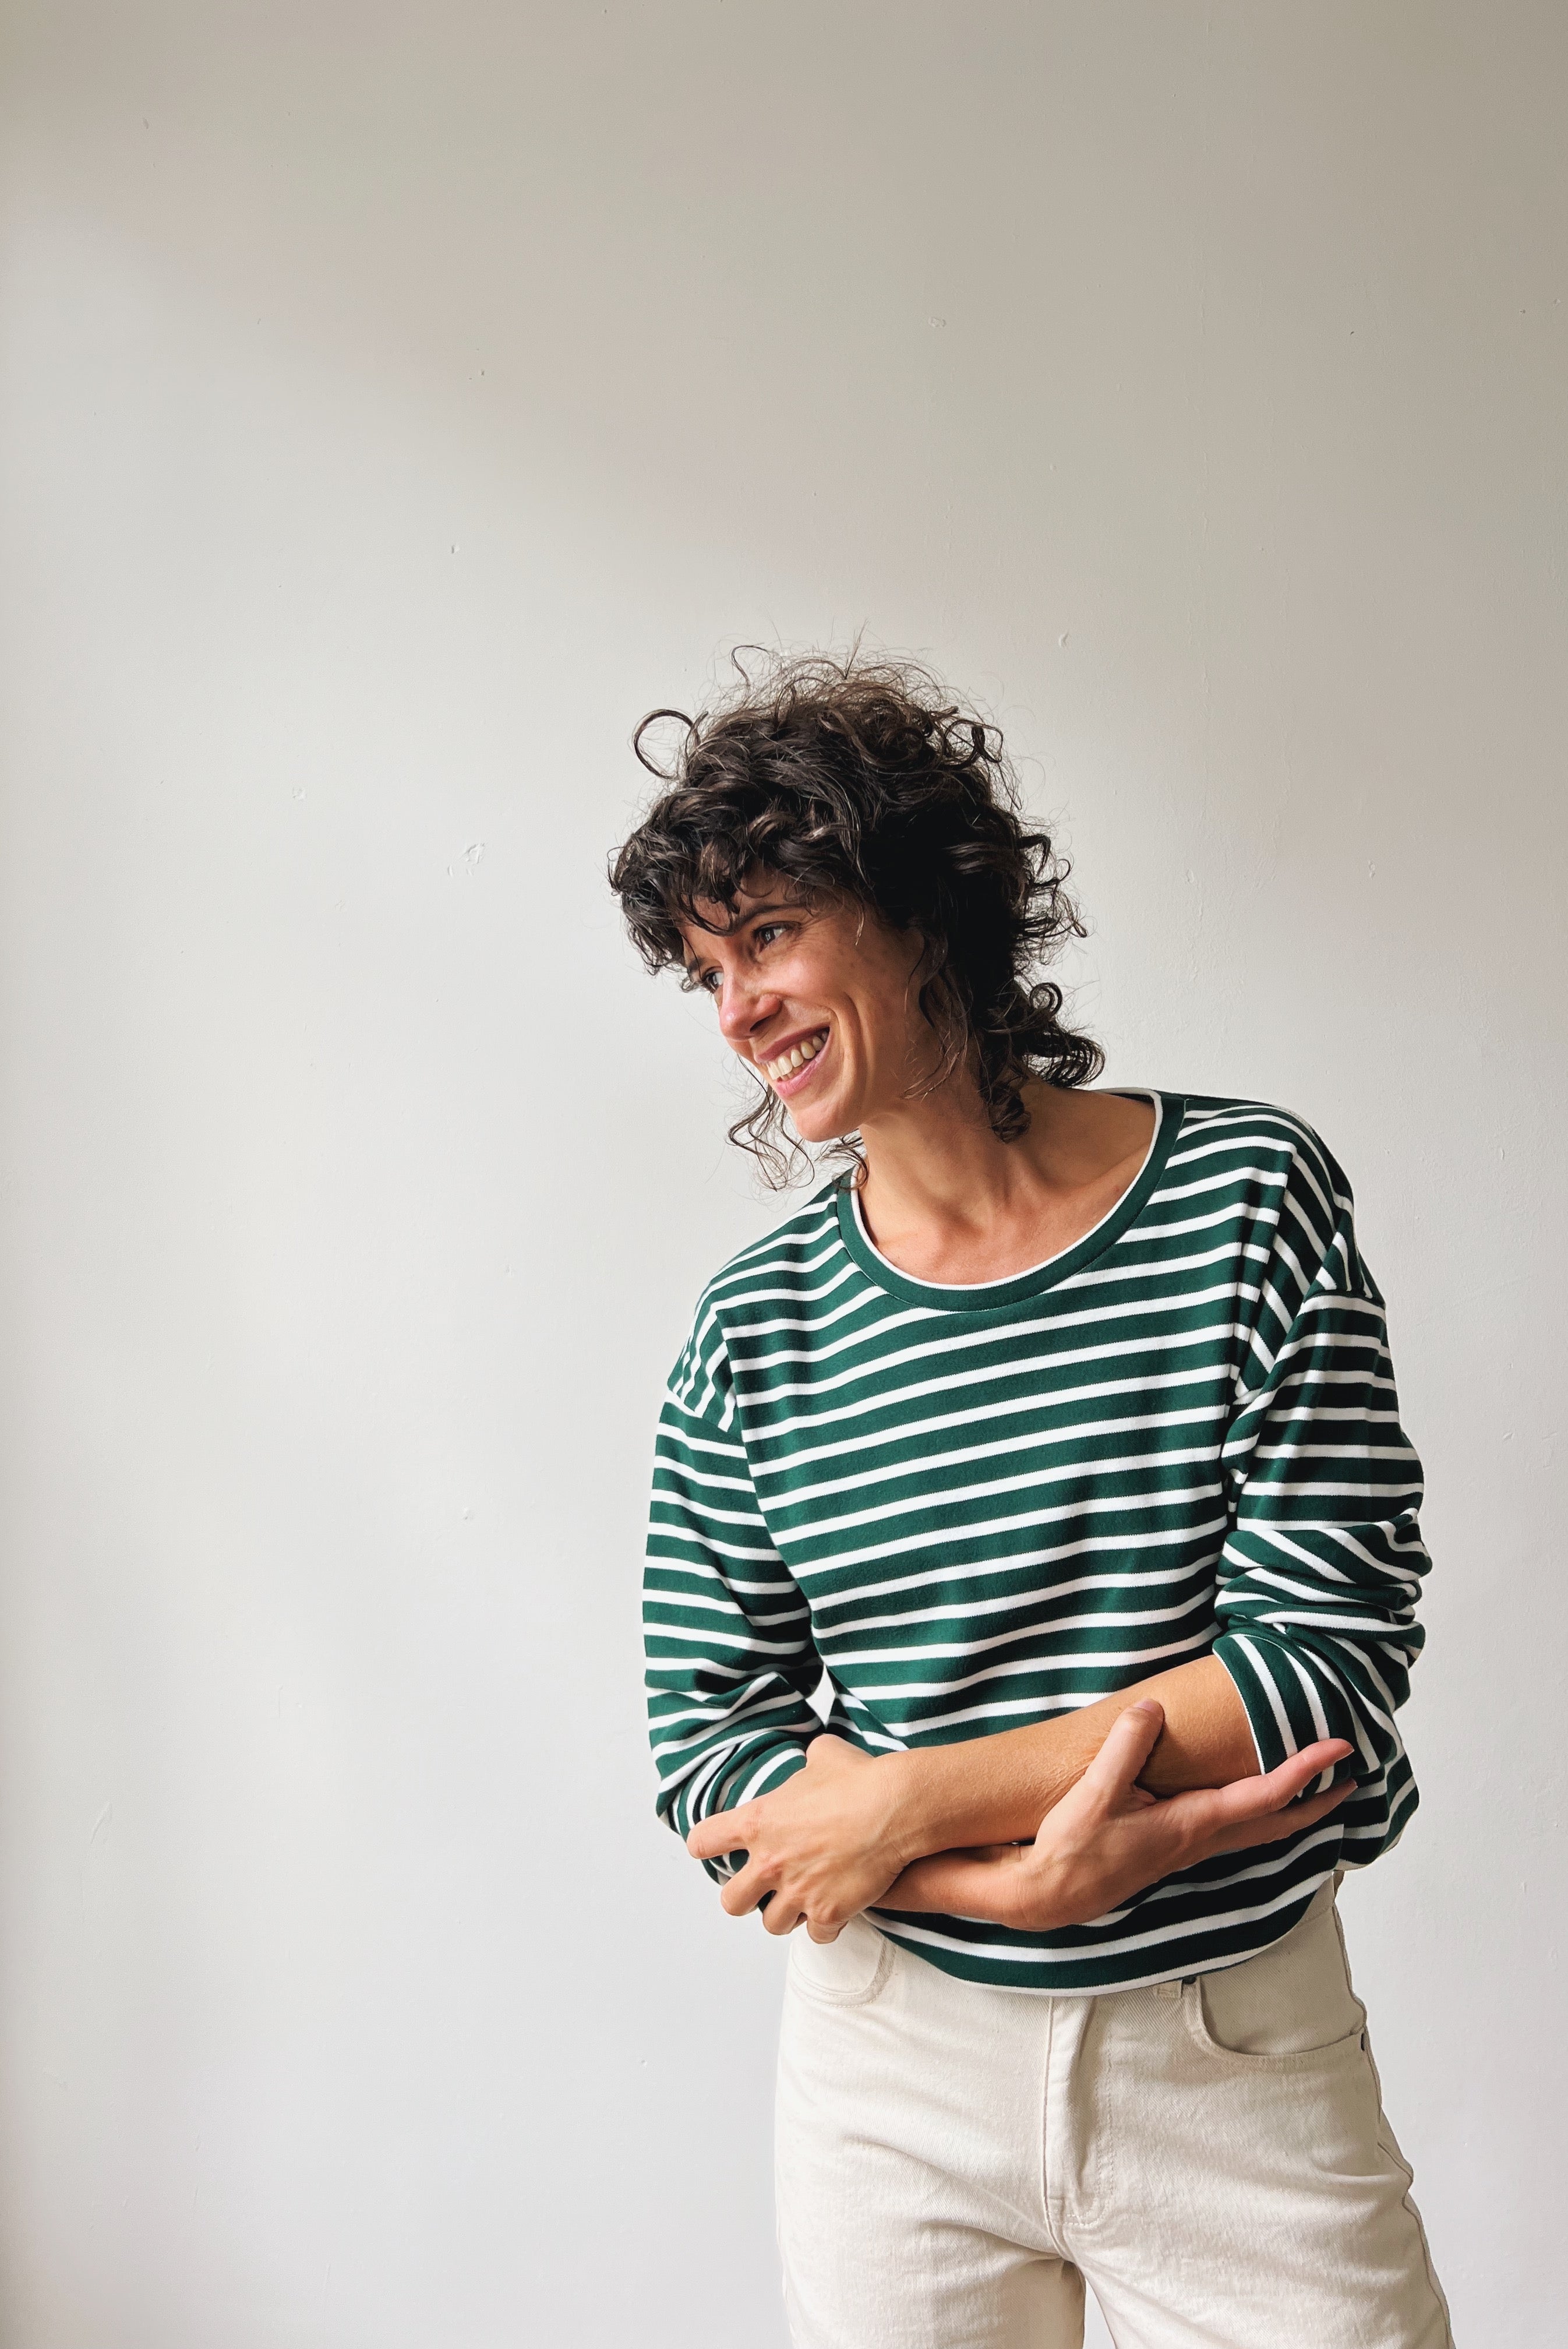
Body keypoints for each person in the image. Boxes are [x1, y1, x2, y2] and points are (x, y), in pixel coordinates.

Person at [609, 653, 1452, 2349]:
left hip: (1222, 2047)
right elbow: (711, 1747)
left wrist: (908, 1809)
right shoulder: (753, 1332)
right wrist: (988, 1890)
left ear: (923, 909)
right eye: (706, 970)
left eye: (767, 935)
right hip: (888, 2067)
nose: (736, 1010)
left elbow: (1320, 1660)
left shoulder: (1240, 1198)